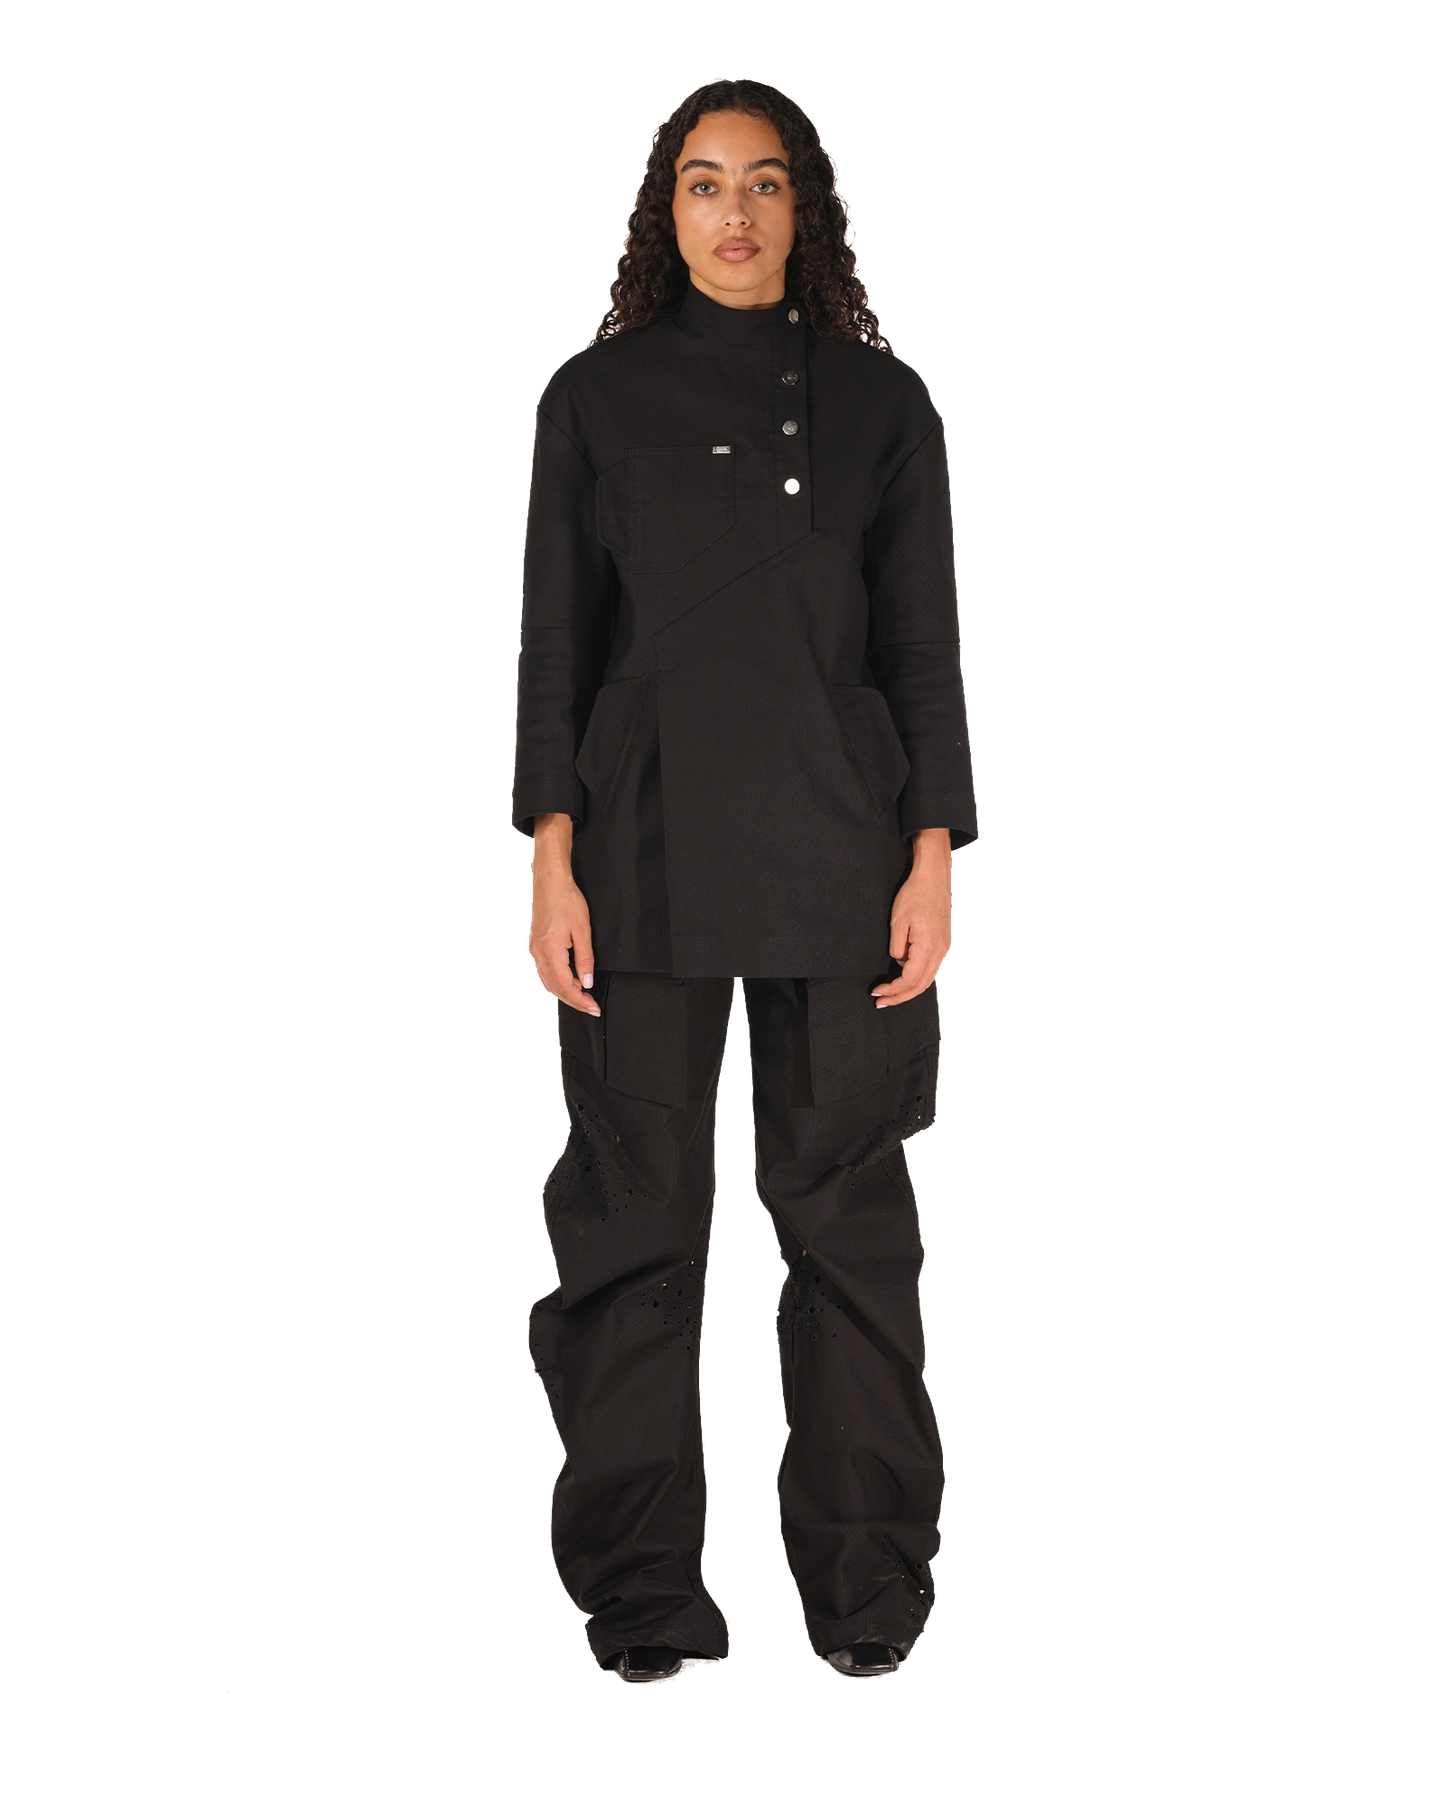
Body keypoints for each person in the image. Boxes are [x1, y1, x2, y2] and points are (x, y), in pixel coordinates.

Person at [512, 76, 979, 1687]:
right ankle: (640, 1590)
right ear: (666, 210)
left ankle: (867, 1584)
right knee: (631, 1223)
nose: (735, 213)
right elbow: (557, 648)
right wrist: (548, 858)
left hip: (848, 855)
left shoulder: (885, 405)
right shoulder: (590, 398)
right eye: (704, 184)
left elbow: (922, 648)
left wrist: (934, 854)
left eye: (765, 182)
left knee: (849, 1225)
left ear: (809, 207)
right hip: (635, 853)